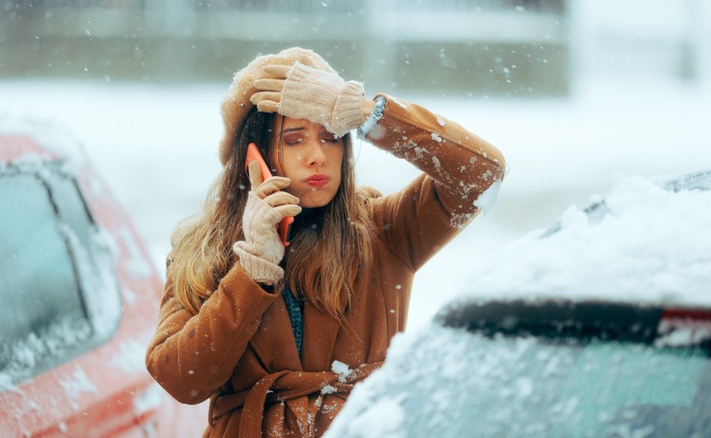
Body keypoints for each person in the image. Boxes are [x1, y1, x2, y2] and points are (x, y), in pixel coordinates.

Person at [145, 47, 506, 437]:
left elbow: (483, 174)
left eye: (331, 137)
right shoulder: (203, 247)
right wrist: (251, 270)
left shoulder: (383, 230)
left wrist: (367, 112)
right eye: (294, 139)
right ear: (254, 156)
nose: (318, 156)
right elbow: (182, 379)